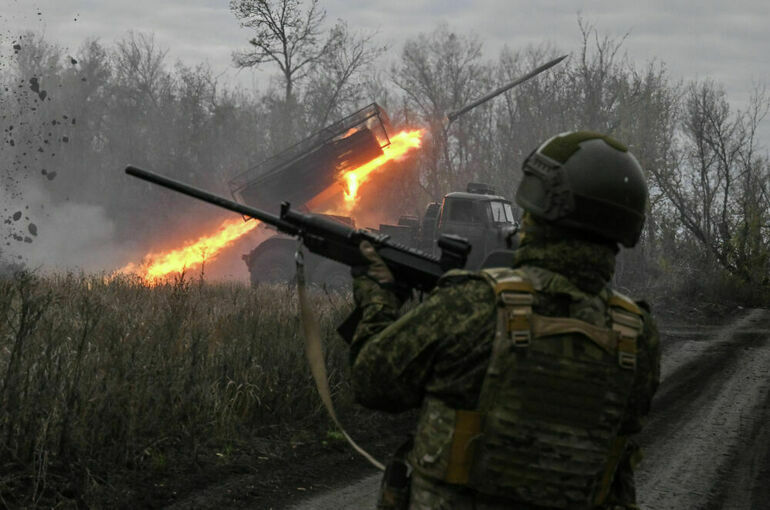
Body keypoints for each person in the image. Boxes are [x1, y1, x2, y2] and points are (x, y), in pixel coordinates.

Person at [345, 131, 661, 510]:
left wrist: (378, 298)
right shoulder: (636, 336)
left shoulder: (474, 305)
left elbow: (373, 381)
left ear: (540, 209)